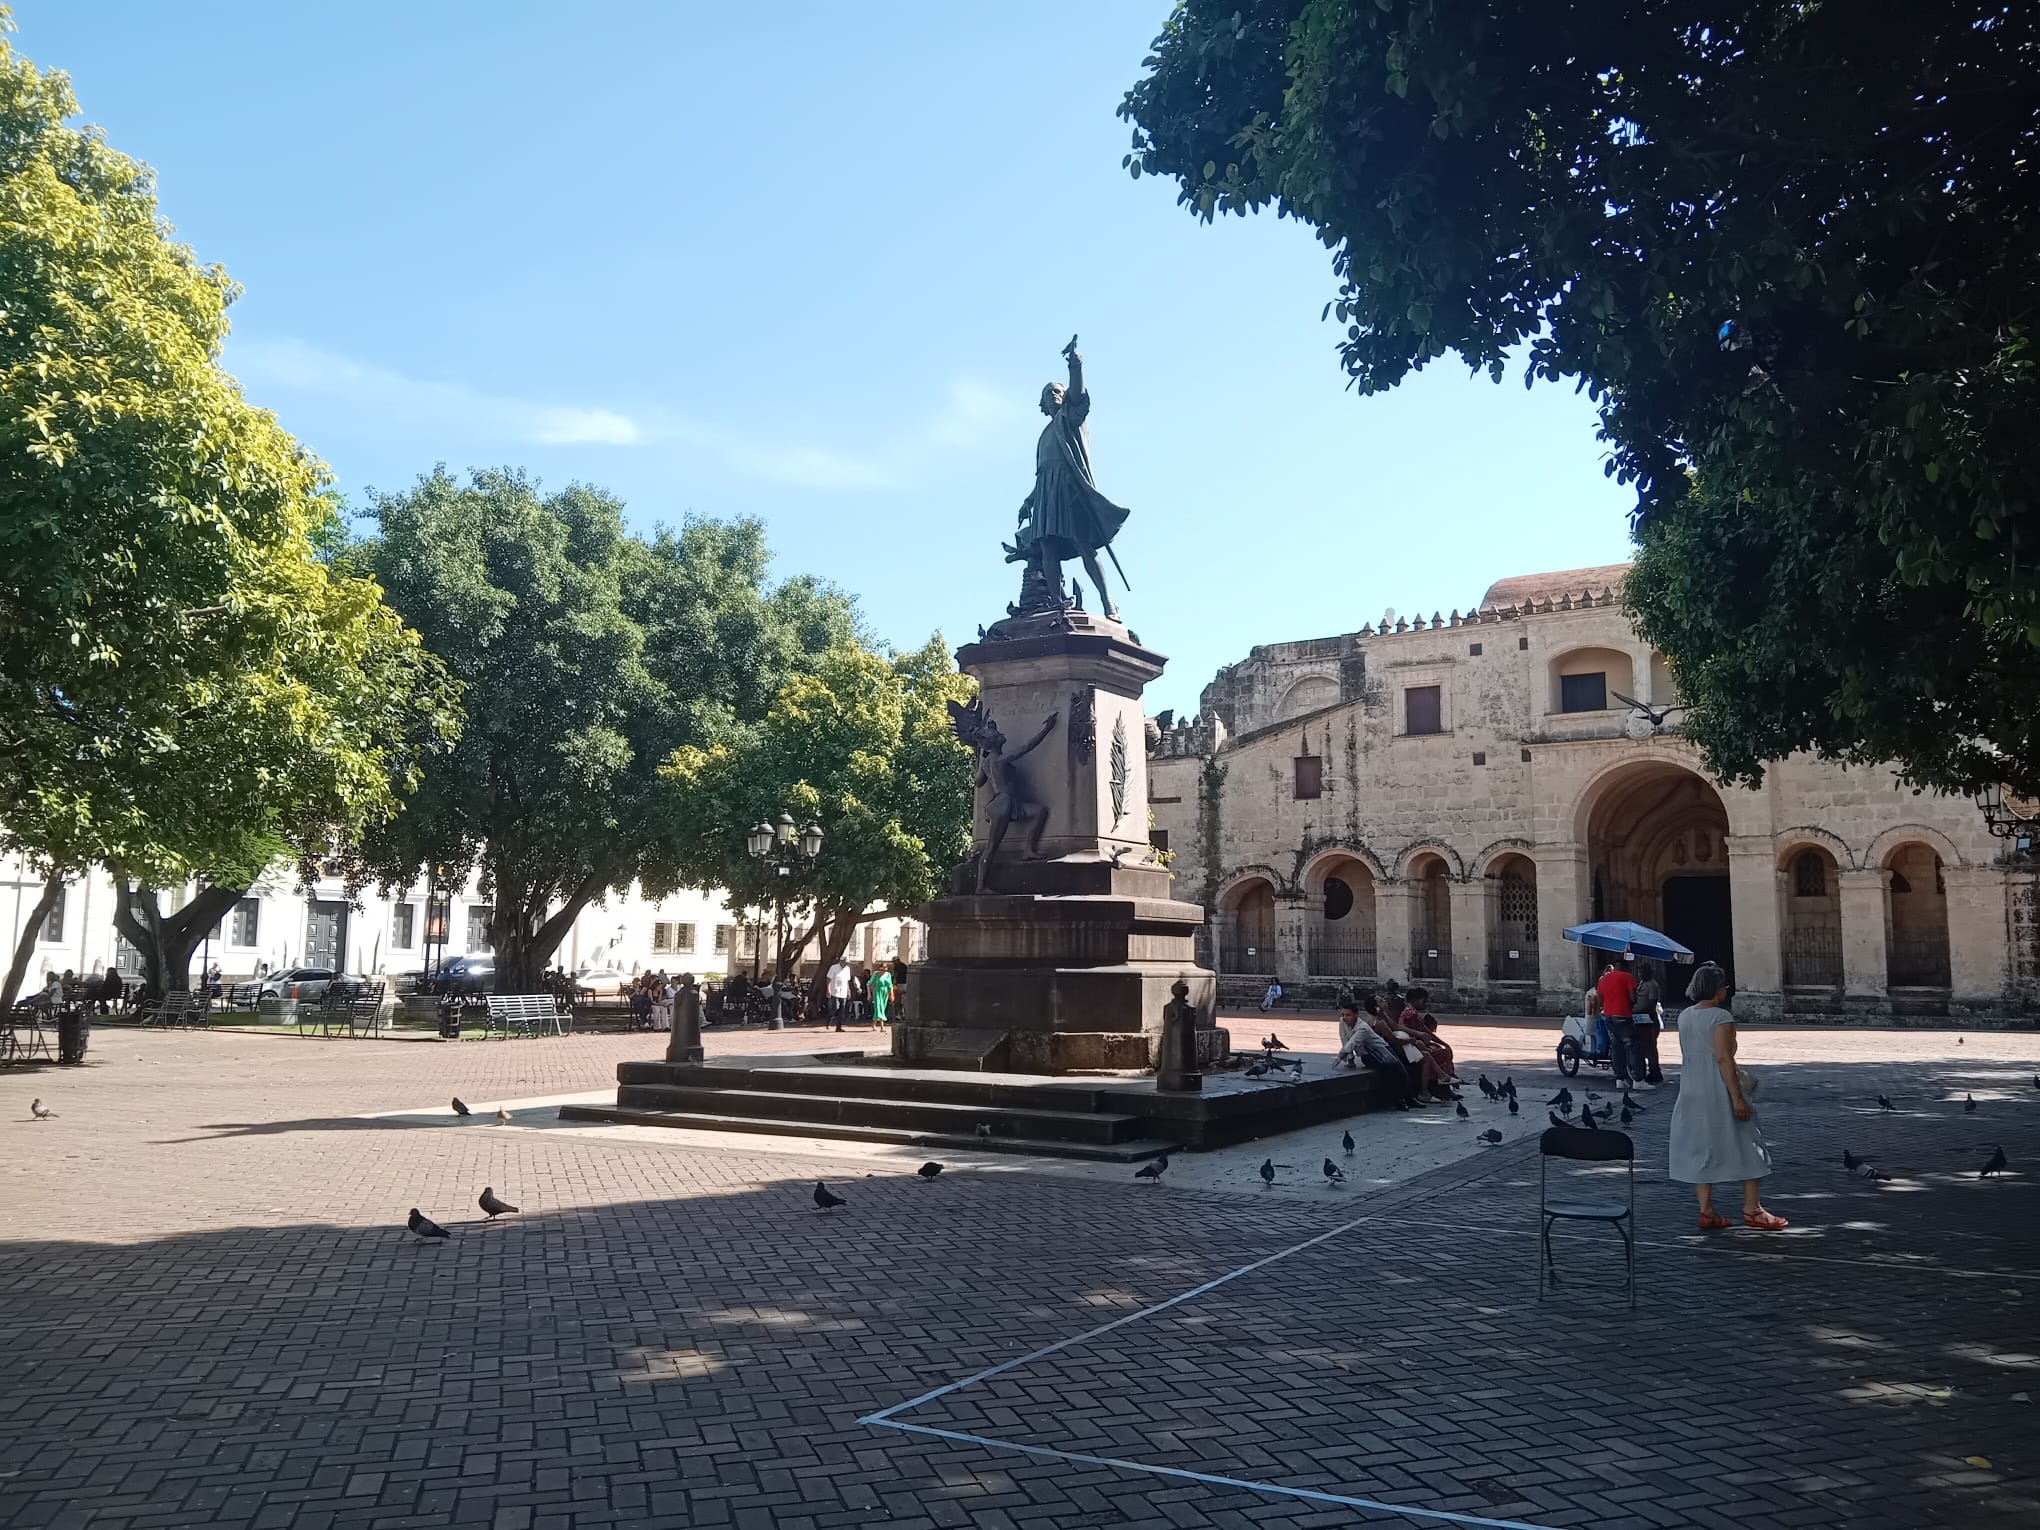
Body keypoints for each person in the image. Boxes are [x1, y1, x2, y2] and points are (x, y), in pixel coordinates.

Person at [1669, 961, 1785, 1230]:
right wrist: (1737, 1097)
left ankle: (1706, 1210)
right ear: (1717, 989)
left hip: (1690, 1087)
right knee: (1749, 1140)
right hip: (1717, 1086)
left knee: (1702, 1145)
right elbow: (1723, 1058)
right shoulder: (1721, 1017)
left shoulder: (1685, 1015)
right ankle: (1752, 1208)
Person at [1338, 996, 1422, 1108]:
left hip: (1384, 1048)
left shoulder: (1380, 1018)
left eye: (1348, 1015)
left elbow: (1395, 1027)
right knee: (1393, 1068)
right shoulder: (1375, 1022)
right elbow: (1347, 1041)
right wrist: (1349, 1058)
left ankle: (1407, 1097)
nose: (1345, 1018)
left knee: (1400, 1067)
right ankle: (1401, 1098)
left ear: (1356, 1014)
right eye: (1343, 1015)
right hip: (1373, 1053)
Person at [1596, 959, 1641, 1088]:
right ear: (1626, 967)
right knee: (1632, 1046)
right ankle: (1638, 1079)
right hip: (1623, 1015)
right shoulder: (1628, 977)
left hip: (1608, 1016)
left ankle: (1620, 1079)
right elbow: (1633, 998)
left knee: (1616, 1047)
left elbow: (1599, 1000)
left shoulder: (1604, 979)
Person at [1632, 962, 1665, 1086]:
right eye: (1639, 972)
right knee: (1642, 1046)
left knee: (1650, 1046)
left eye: (1643, 972)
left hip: (1648, 1018)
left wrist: (1639, 1010)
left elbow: (1652, 1002)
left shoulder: (1652, 985)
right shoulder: (1641, 984)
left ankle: (1655, 1071)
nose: (1641, 974)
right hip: (1639, 1017)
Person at [868, 961, 895, 1031]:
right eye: (881, 970)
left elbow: (890, 985)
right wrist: (869, 994)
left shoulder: (888, 975)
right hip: (877, 991)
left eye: (885, 970)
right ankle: (882, 1026)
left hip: (884, 992)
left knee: (882, 1008)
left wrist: (891, 994)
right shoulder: (876, 974)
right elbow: (869, 983)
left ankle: (874, 1024)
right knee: (878, 1007)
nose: (883, 971)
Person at [826, 958, 852, 1028]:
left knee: (842, 1009)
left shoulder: (847, 969)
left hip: (843, 991)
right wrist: (828, 989)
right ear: (841, 961)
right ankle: (829, 1019)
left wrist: (848, 990)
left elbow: (847, 981)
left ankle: (839, 1026)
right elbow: (828, 979)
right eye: (845, 963)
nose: (846, 964)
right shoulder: (833, 967)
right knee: (835, 1007)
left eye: (847, 963)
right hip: (835, 990)